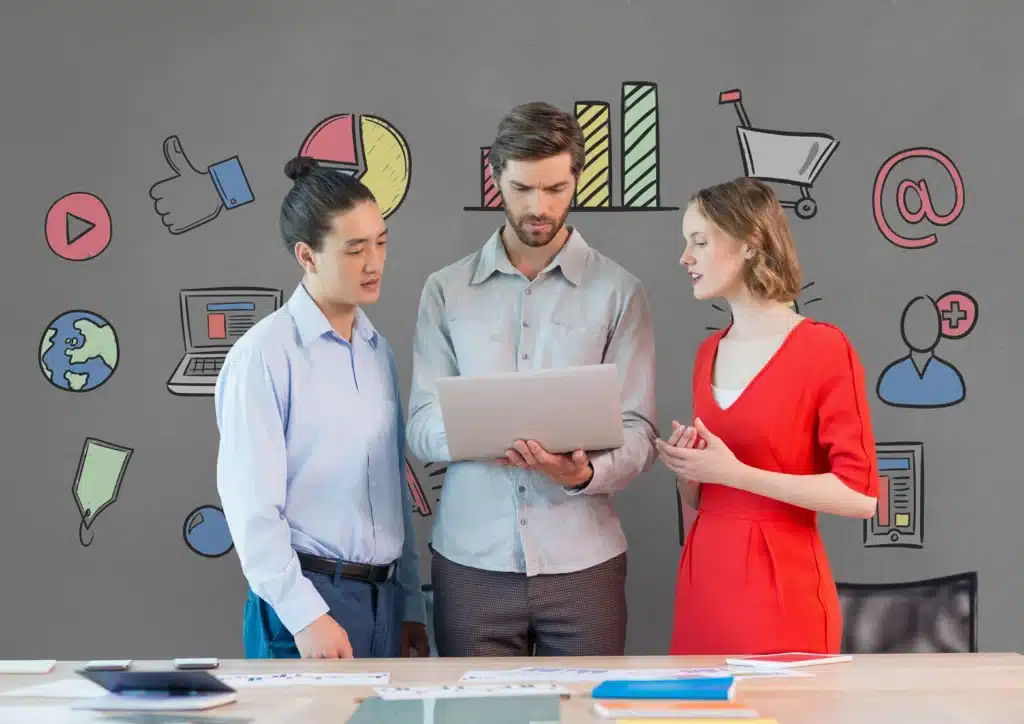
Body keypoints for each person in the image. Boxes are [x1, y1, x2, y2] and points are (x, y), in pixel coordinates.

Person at [406, 101, 658, 657]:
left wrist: (581, 471)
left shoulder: (620, 292)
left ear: (577, 180)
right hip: (471, 560)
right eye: (521, 189)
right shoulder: (446, 291)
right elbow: (421, 424)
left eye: (553, 189)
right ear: (495, 178)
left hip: (584, 559)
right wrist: (479, 436)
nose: (537, 207)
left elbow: (639, 430)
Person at [214, 156, 429, 659]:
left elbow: (392, 487)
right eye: (355, 250)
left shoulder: (379, 352)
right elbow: (250, 508)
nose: (375, 263)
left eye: (381, 242)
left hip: (385, 601)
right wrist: (306, 616)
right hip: (306, 599)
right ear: (307, 256)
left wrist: (411, 604)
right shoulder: (265, 354)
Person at [657, 177, 879, 655]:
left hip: (782, 588)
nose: (685, 258)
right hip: (703, 581)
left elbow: (860, 497)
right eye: (685, 243)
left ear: (750, 245)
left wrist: (734, 473)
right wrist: (689, 470)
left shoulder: (824, 348)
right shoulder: (706, 353)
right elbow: (700, 502)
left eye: (699, 241)